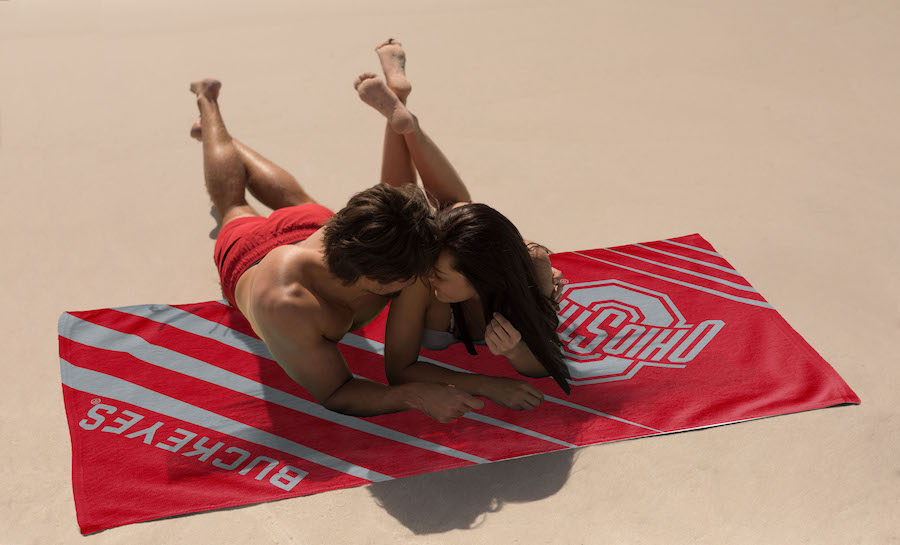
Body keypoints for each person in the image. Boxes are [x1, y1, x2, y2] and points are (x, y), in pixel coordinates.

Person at [189, 76, 484, 423]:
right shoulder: (288, 304)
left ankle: (219, 137)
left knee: (297, 203)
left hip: (313, 228)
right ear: (380, 282)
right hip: (251, 254)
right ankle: (207, 102)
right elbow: (335, 391)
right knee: (233, 205)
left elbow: (399, 191)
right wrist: (413, 395)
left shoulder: (373, 233)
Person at [358, 39, 572, 411]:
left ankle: (403, 111)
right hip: (466, 236)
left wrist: (517, 352)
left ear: (482, 275)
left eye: (441, 275)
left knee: (453, 210)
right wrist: (486, 384)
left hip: (489, 249)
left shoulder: (528, 270)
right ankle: (406, 121)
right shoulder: (423, 280)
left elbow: (546, 362)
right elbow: (398, 368)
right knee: (417, 212)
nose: (430, 278)